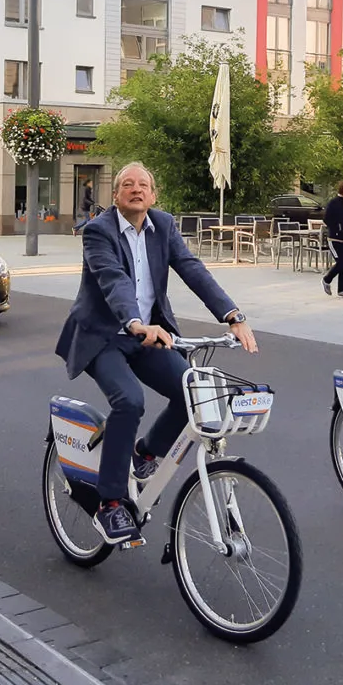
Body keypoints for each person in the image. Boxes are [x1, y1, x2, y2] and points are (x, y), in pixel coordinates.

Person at [55, 161, 257, 545]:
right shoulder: (99, 231)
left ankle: (144, 453)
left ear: (153, 194)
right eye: (127, 184)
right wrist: (134, 323)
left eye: (143, 184)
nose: (136, 189)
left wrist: (232, 314)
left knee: (192, 392)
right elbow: (112, 279)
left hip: (149, 335)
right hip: (104, 335)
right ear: (116, 196)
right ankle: (110, 503)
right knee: (129, 400)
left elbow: (192, 269)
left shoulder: (163, 225)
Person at [321, 179, 343, 297]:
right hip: (335, 239)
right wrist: (337, 229)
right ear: (342, 189)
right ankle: (327, 279)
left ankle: (341, 289)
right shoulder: (334, 203)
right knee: (341, 262)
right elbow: (327, 219)